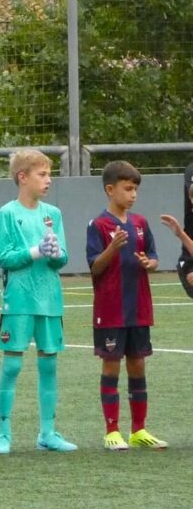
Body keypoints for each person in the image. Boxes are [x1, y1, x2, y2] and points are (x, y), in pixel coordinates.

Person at [0, 149, 76, 454]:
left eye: (49, 174)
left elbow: (63, 258)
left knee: (49, 366)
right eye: (42, 174)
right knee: (12, 366)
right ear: (22, 177)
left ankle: (48, 432)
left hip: (50, 301)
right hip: (19, 300)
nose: (48, 180)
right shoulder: (8, 213)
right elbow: (3, 258)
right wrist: (34, 251)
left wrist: (55, 254)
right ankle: (3, 433)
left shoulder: (53, 214)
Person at [87, 160, 166, 450]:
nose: (133, 195)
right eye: (128, 189)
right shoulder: (98, 225)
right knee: (111, 367)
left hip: (139, 308)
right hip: (111, 310)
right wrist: (112, 247)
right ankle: (112, 431)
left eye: (136, 190)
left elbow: (154, 257)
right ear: (110, 189)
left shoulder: (141, 223)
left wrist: (150, 263)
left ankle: (138, 430)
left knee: (138, 365)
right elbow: (95, 267)